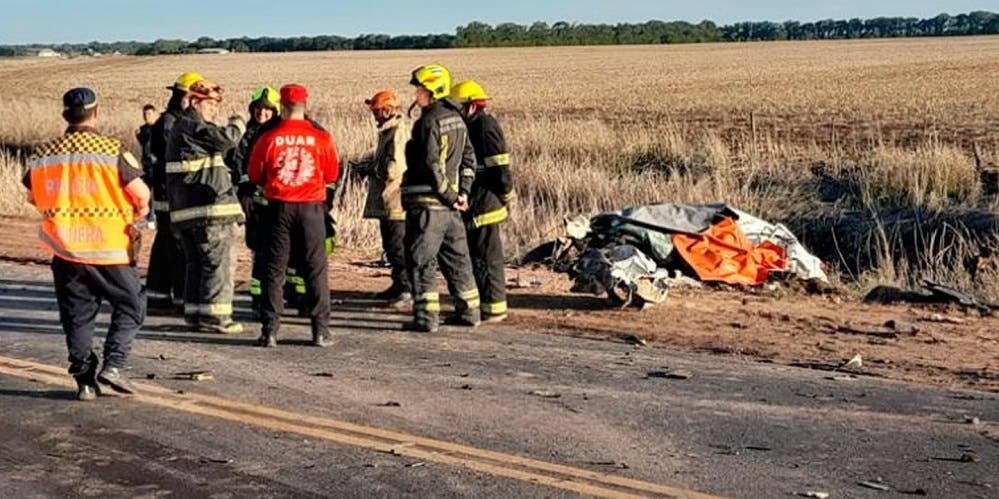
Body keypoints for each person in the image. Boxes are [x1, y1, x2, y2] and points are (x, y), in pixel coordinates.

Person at [24, 87, 150, 400]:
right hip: (109, 248)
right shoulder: (111, 150)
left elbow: (33, 196)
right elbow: (141, 194)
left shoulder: (43, 154)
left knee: (77, 316)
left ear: (65, 114)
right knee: (132, 304)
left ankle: (84, 381)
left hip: (65, 249)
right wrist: (140, 214)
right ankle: (113, 367)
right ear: (96, 113)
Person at [248, 84, 340, 348]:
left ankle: (270, 331)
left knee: (274, 270)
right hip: (312, 208)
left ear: (281, 107)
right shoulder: (321, 137)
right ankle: (321, 331)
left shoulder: (268, 137)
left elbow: (255, 174)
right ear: (305, 105)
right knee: (315, 269)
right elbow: (332, 173)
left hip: (279, 208)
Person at [401, 64, 481, 333]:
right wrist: (463, 193)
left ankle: (426, 318)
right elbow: (469, 160)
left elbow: (431, 165)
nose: (416, 94)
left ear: (434, 90)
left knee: (422, 260)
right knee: (458, 260)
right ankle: (470, 312)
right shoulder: (457, 119)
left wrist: (448, 195)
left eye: (420, 89)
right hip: (452, 210)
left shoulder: (428, 121)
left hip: (429, 208)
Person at [165, 79, 246, 334]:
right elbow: (226, 140)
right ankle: (216, 319)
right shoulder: (194, 125)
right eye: (209, 104)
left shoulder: (182, 127)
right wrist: (238, 124)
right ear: (194, 102)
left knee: (197, 266)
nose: (214, 109)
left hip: (189, 212)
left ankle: (196, 315)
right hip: (209, 211)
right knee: (217, 265)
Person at [451, 80, 515, 323]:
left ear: (471, 106)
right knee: (476, 258)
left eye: (457, 106)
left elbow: (500, 168)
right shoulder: (469, 126)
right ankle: (483, 306)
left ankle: (494, 309)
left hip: (486, 203)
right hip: (474, 202)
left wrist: (506, 195)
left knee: (487, 259)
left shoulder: (485, 126)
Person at [146, 72, 202, 312]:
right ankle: (180, 297)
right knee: (177, 245)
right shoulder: (171, 123)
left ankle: (159, 295)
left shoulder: (172, 120)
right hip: (170, 195)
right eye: (193, 97)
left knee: (166, 244)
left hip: (169, 193)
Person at [230, 86, 281, 316]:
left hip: (276, 201)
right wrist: (245, 191)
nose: (262, 114)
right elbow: (238, 164)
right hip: (254, 202)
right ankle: (258, 297)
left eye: (267, 110)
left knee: (277, 249)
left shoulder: (278, 134)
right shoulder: (248, 134)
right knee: (257, 249)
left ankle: (279, 294)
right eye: (258, 110)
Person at [361, 89, 411, 306]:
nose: (375, 115)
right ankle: (397, 285)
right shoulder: (387, 131)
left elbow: (395, 168)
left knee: (398, 246)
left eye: (377, 111)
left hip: (395, 200)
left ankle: (406, 289)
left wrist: (375, 171)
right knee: (390, 246)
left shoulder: (397, 132)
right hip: (387, 200)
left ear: (388, 110)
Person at [136, 104, 159, 229]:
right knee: (146, 191)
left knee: (156, 192)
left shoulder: (159, 128)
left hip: (157, 164)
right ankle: (148, 216)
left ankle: (153, 216)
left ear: (155, 114)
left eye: (149, 114)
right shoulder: (143, 130)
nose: (146, 117)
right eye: (145, 114)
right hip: (146, 164)